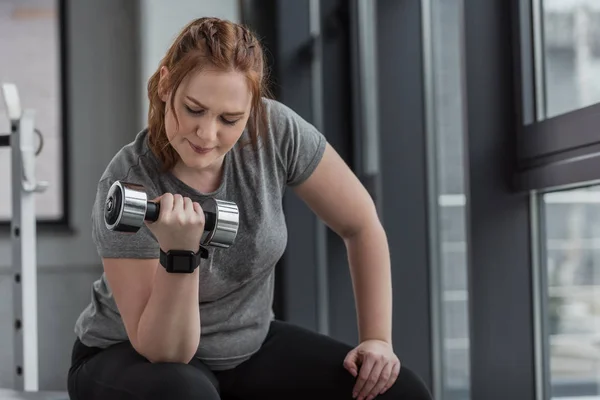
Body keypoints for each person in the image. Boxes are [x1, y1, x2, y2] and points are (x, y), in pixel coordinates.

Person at [66, 16, 432, 400]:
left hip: (246, 347)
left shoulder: (275, 132)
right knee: (185, 394)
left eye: (229, 119)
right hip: (132, 355)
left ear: (252, 108)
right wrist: (180, 254)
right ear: (164, 85)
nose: (207, 134)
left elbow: (361, 224)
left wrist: (377, 339)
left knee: (400, 393)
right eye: (194, 109)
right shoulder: (129, 181)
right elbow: (166, 352)